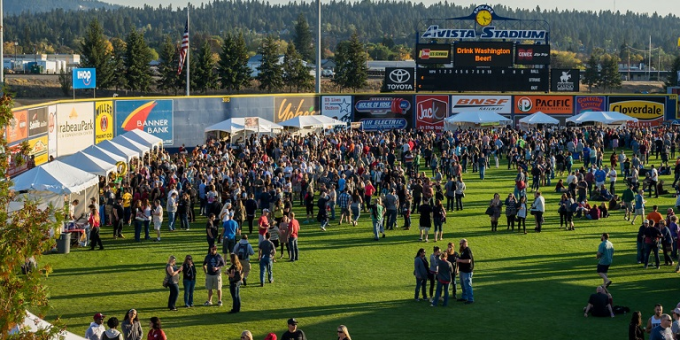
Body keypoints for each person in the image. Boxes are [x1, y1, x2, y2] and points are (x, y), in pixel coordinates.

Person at [456, 238, 474, 304]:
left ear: (464, 243)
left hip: (467, 271)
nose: (460, 245)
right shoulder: (464, 250)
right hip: (463, 270)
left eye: (460, 243)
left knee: (468, 285)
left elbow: (468, 260)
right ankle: (464, 297)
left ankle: (470, 299)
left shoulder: (467, 250)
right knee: (463, 285)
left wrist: (459, 260)